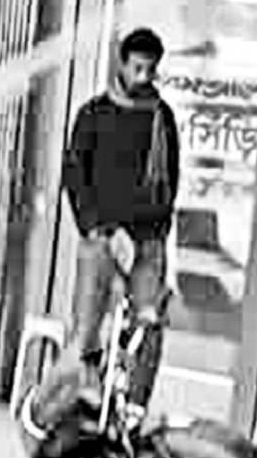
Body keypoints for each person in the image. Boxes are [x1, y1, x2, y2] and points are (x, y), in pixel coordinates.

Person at [59, 27, 180, 405]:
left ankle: (134, 407)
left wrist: (155, 231)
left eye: (150, 70)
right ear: (122, 65)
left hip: (146, 241)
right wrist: (97, 227)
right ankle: (80, 397)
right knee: (86, 324)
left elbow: (170, 180)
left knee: (149, 326)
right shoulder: (93, 113)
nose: (143, 77)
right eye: (137, 68)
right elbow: (74, 175)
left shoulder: (162, 118)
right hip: (102, 236)